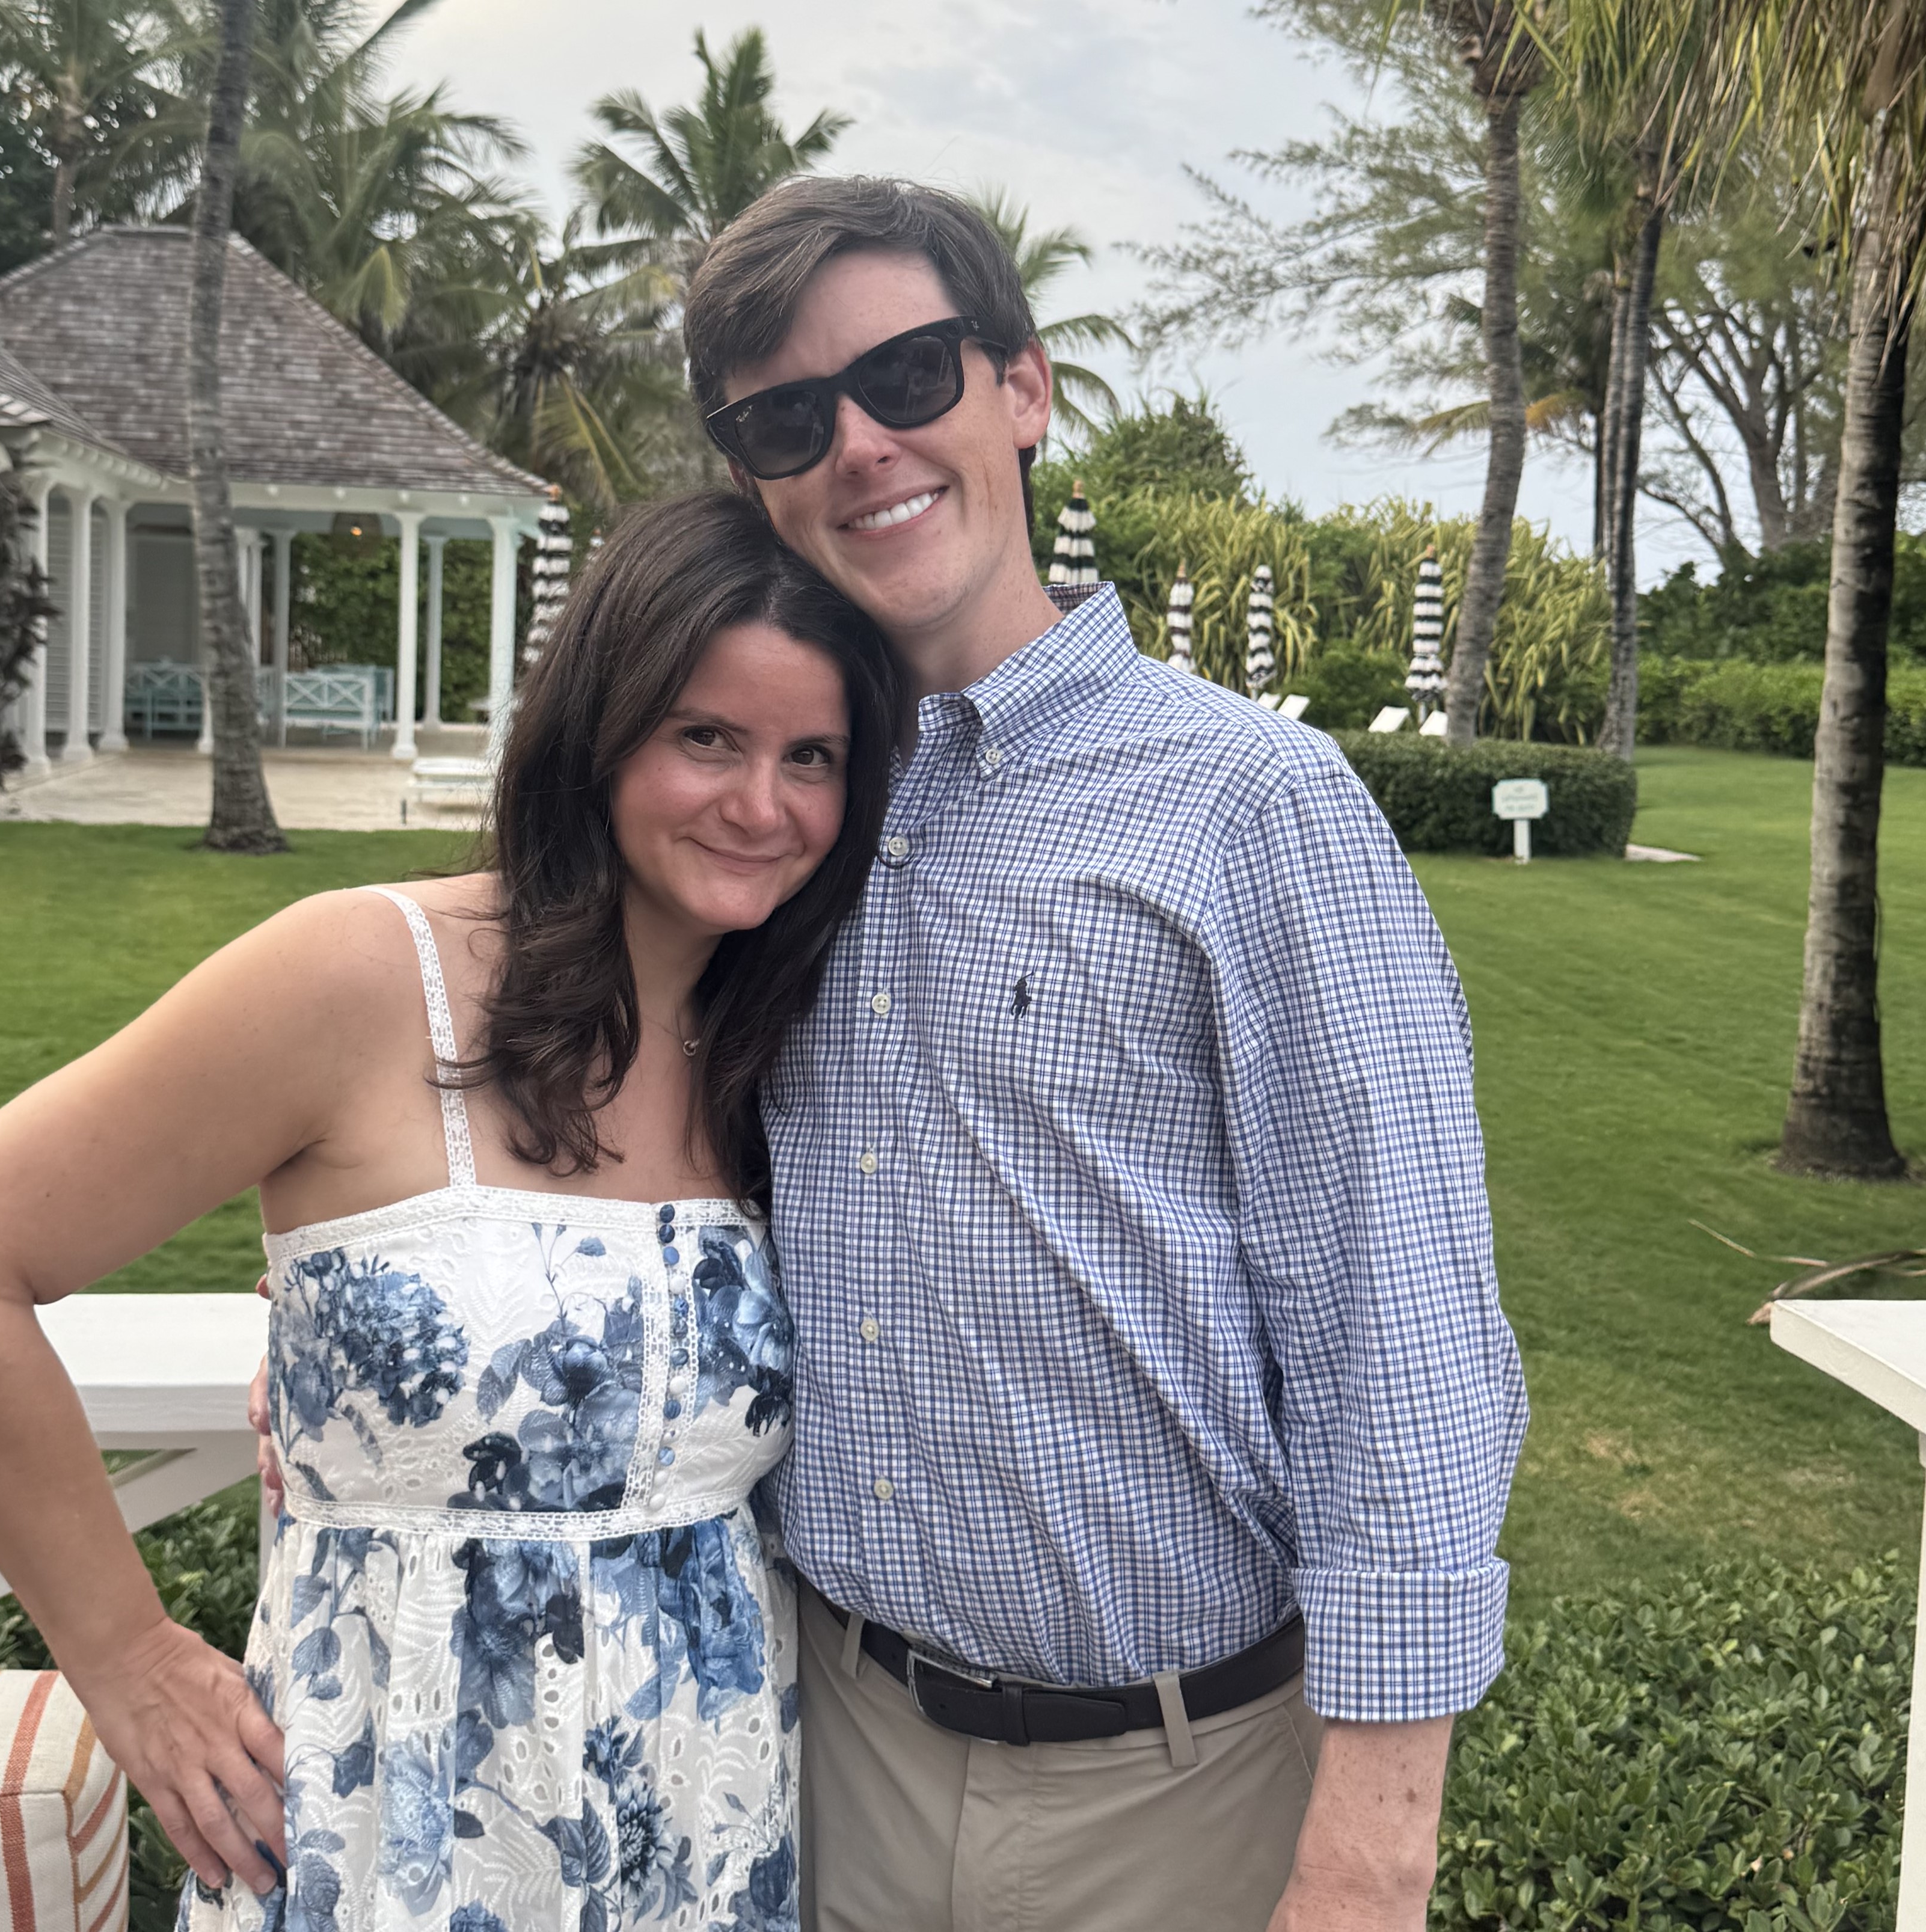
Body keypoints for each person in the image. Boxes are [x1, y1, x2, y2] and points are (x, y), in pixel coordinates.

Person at [253, 177, 1525, 1928]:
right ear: (755, 475)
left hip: (1174, 1787)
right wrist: (392, 1358)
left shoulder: (1255, 806)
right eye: (788, 415)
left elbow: (1403, 1332)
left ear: (1022, 387)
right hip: (804, 1748)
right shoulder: (779, 823)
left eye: (909, 375)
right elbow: (627, 1154)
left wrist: (1373, 1850)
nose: (860, 441)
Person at [0, 489, 901, 1929]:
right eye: (706, 737)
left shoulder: (780, 1049)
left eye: (815, 757)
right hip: (396, 1825)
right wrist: (123, 1655)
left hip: (706, 1825)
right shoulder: (362, 977)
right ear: (600, 730)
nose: (761, 803)